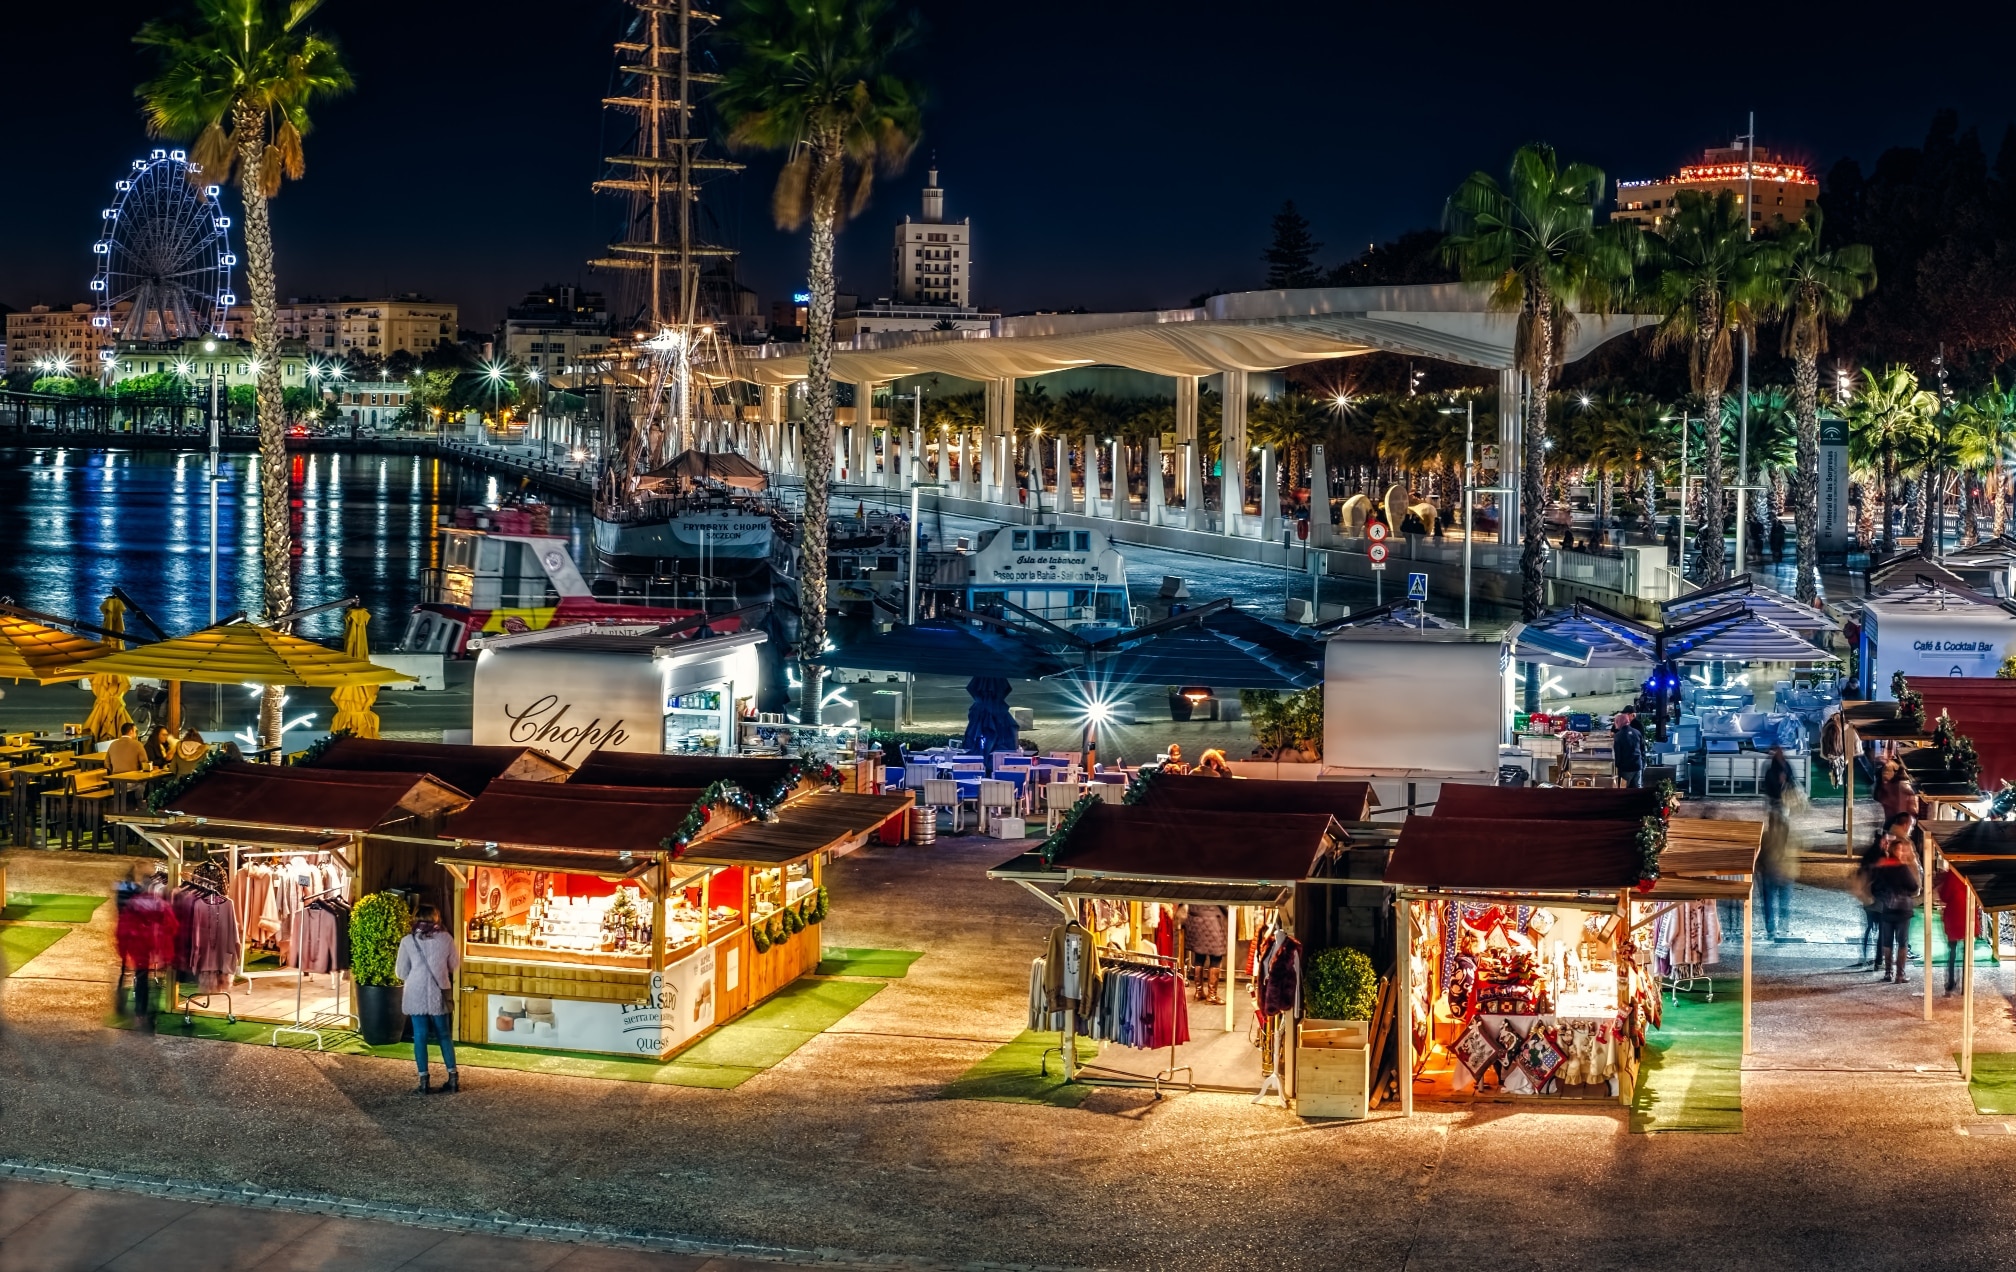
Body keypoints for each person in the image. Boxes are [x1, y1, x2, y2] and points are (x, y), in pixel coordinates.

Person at [395, 904, 463, 1094]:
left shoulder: (408, 941)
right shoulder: (446, 939)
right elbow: (454, 965)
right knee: (444, 1035)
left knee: (420, 1036)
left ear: (416, 919)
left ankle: (424, 1082)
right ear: (436, 918)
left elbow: (401, 972)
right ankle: (453, 1078)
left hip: (415, 992)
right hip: (439, 992)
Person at [1869, 829, 1922, 983]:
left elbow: (1874, 888)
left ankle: (1887, 972)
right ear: (1897, 851)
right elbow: (1913, 887)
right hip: (1903, 910)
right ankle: (1900, 974)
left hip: (1887, 909)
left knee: (1887, 942)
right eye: (1900, 849)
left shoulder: (1883, 867)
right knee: (1902, 942)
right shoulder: (1903, 868)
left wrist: (1885, 897)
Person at [1759, 803, 1799, 941]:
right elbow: (1794, 855)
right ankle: (1782, 930)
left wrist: (1764, 867)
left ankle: (1771, 930)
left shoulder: (1765, 837)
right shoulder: (1790, 837)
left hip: (1770, 874)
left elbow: (1760, 856)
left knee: (1769, 903)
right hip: (1786, 874)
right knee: (1784, 904)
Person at [1180, 903, 1228, 1003]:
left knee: (1199, 956)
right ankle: (1212, 995)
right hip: (1212, 919)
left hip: (1195, 918)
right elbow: (1223, 902)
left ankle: (1199, 992)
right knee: (1216, 956)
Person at [1611, 712, 1645, 789]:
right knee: (1637, 789)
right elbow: (1642, 749)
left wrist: (1617, 766)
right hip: (1637, 765)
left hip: (1626, 768)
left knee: (1624, 790)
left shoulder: (1618, 736)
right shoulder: (1637, 732)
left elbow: (1618, 754)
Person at [1761, 745, 1795, 810]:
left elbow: (1790, 777)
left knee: (1781, 813)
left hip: (1781, 796)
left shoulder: (1784, 764)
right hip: (1776, 796)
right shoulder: (1771, 767)